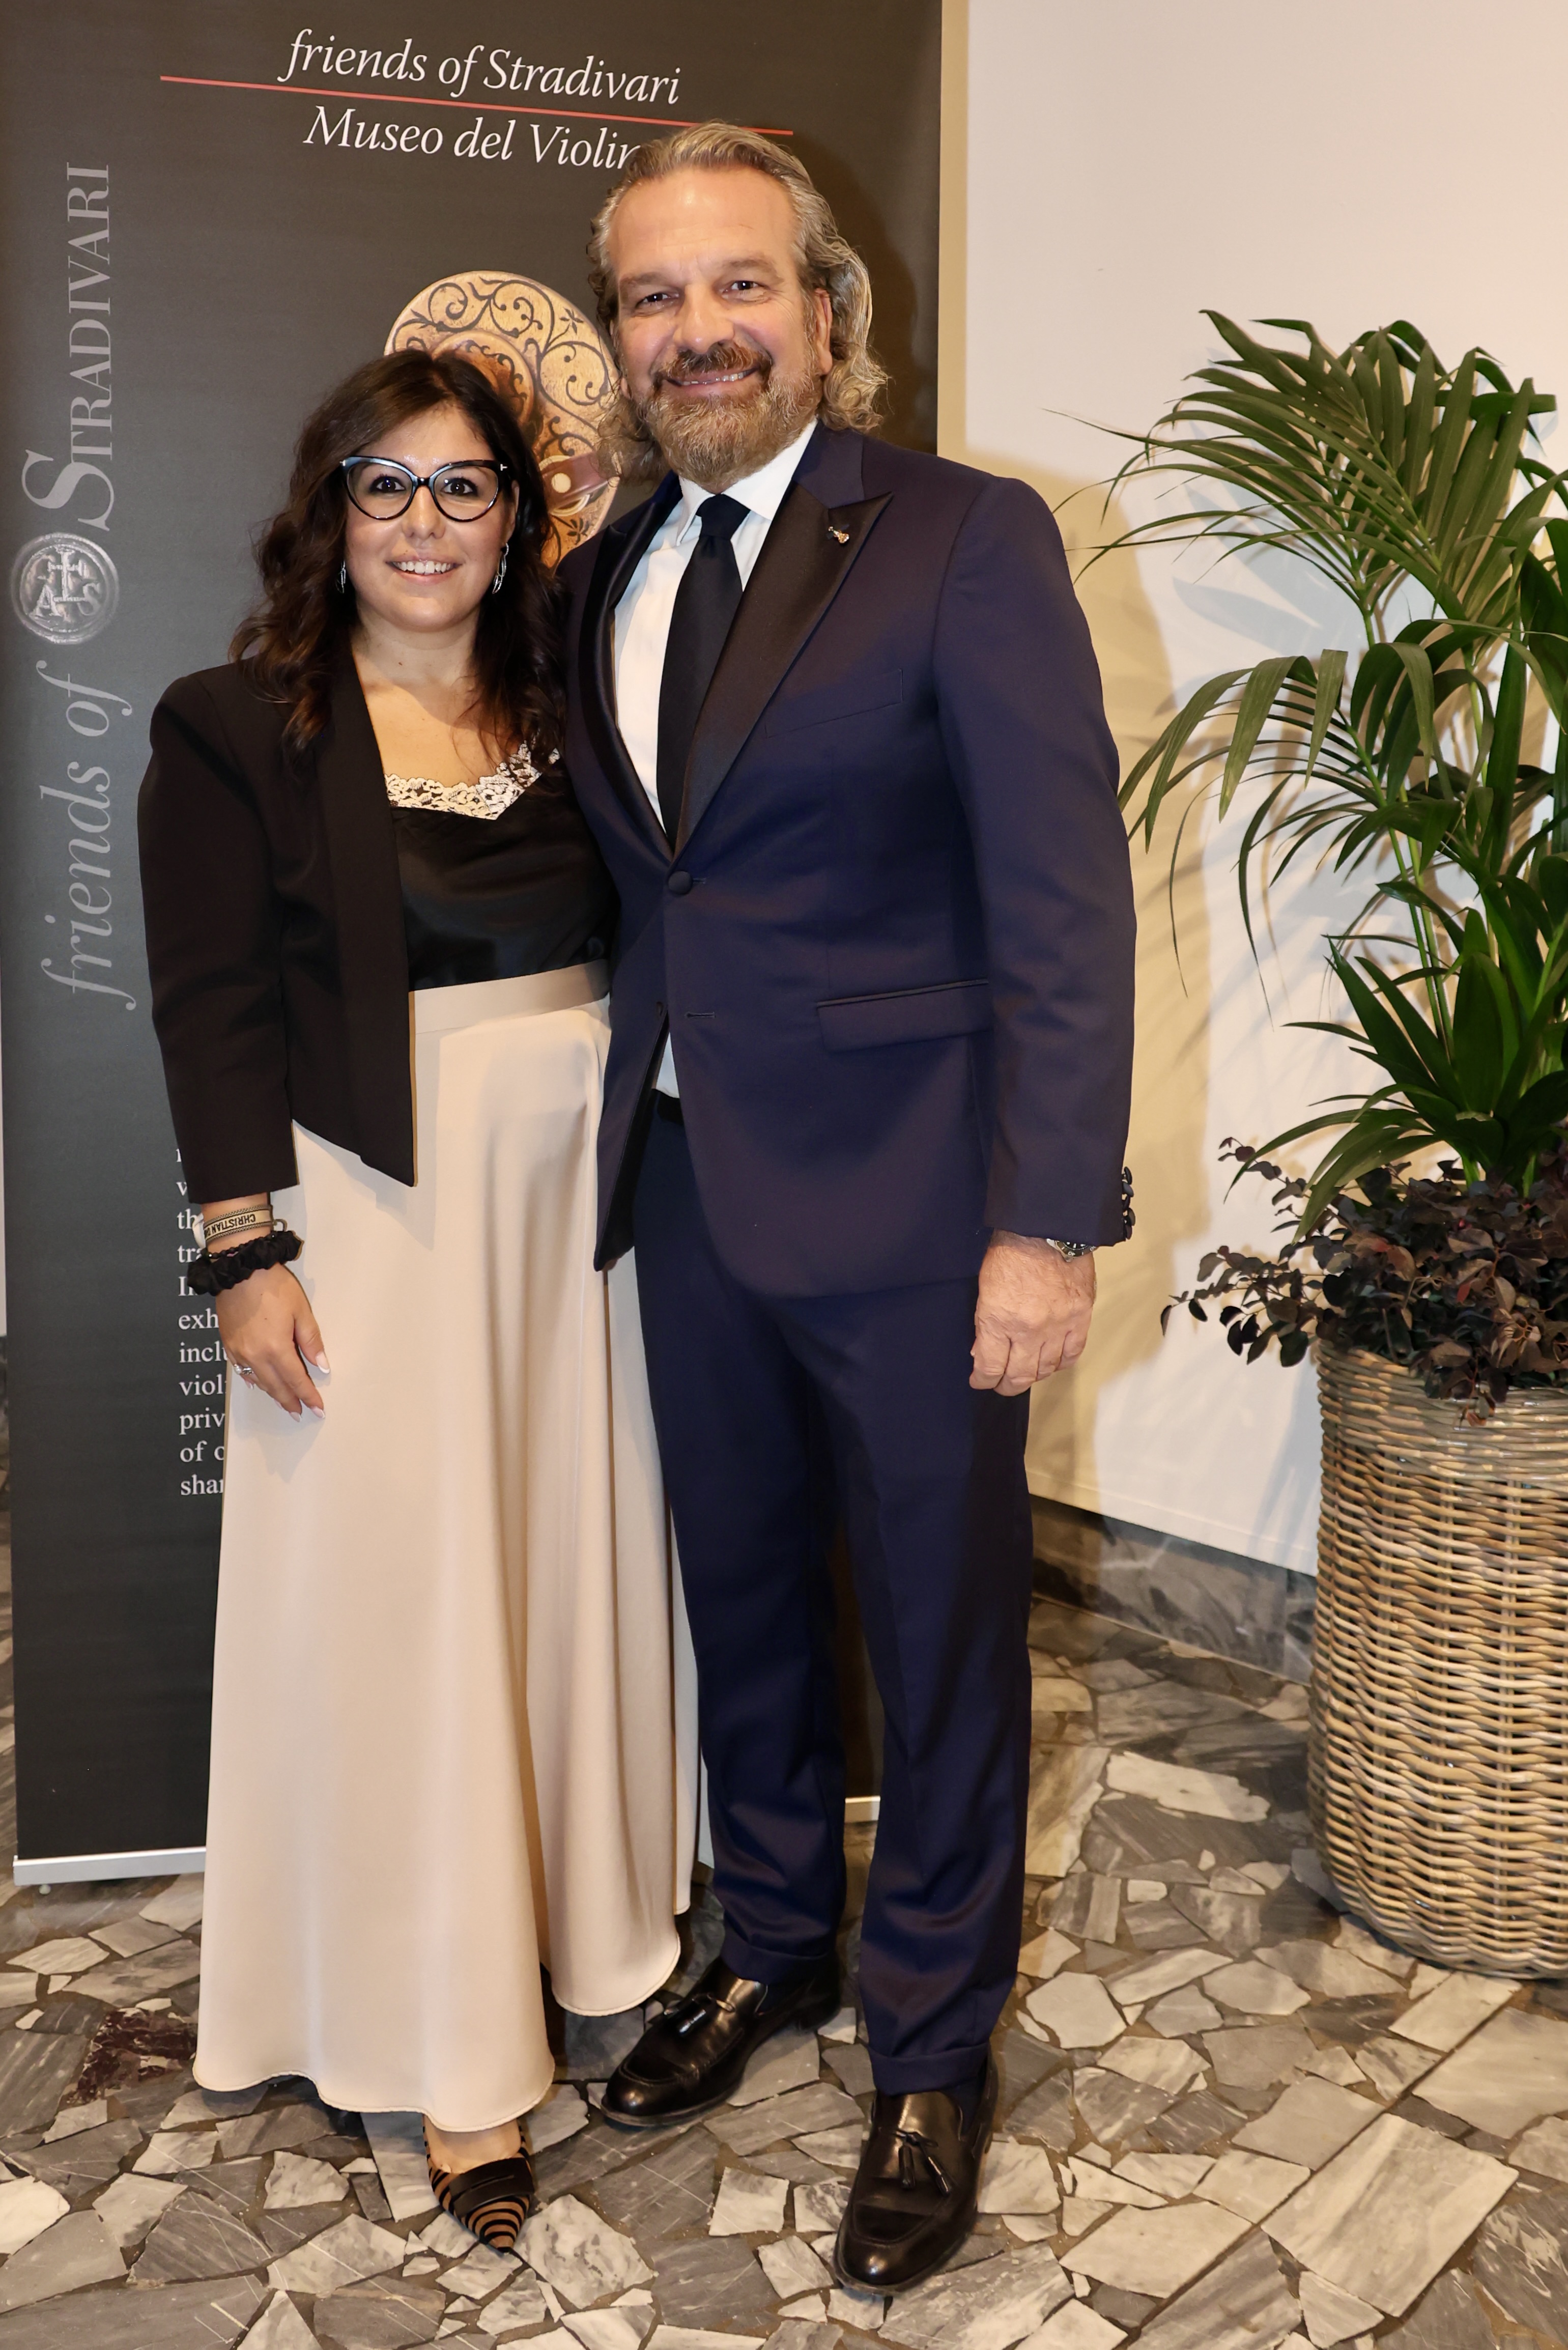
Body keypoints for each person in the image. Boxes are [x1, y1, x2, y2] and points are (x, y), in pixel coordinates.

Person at [559, 125, 1135, 2291]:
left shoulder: (963, 539)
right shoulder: (603, 569)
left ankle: (931, 2043)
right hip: (686, 1178)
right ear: (621, 336)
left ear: (825, 310)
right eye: (654, 296)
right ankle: (775, 1938)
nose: (697, 329)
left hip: (915, 1204)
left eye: (739, 285)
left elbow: (1062, 905)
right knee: (743, 1596)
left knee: (945, 1631)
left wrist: (1045, 1222)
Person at [137, 350, 695, 2249]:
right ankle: (448, 2042)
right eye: (386, 485)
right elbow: (209, 1002)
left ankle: (579, 1931)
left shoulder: (578, 700)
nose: (426, 523)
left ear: (516, 518)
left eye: (464, 487)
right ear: (331, 510)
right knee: (408, 1613)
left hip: (582, 1219)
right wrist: (244, 1251)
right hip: (379, 1216)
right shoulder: (237, 723)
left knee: (557, 1576)